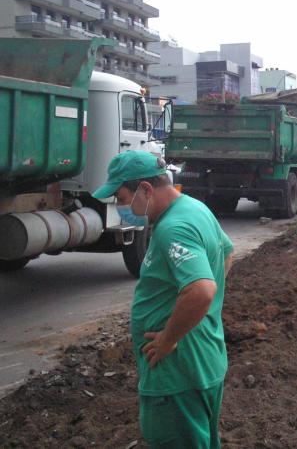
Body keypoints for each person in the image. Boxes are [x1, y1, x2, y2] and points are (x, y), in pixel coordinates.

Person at [93, 150, 234, 448]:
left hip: (178, 373)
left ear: (145, 189)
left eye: (120, 198)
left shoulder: (174, 229)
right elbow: (226, 251)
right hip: (202, 360)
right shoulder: (195, 209)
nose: (119, 206)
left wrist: (170, 337)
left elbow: (201, 289)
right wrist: (202, 312)